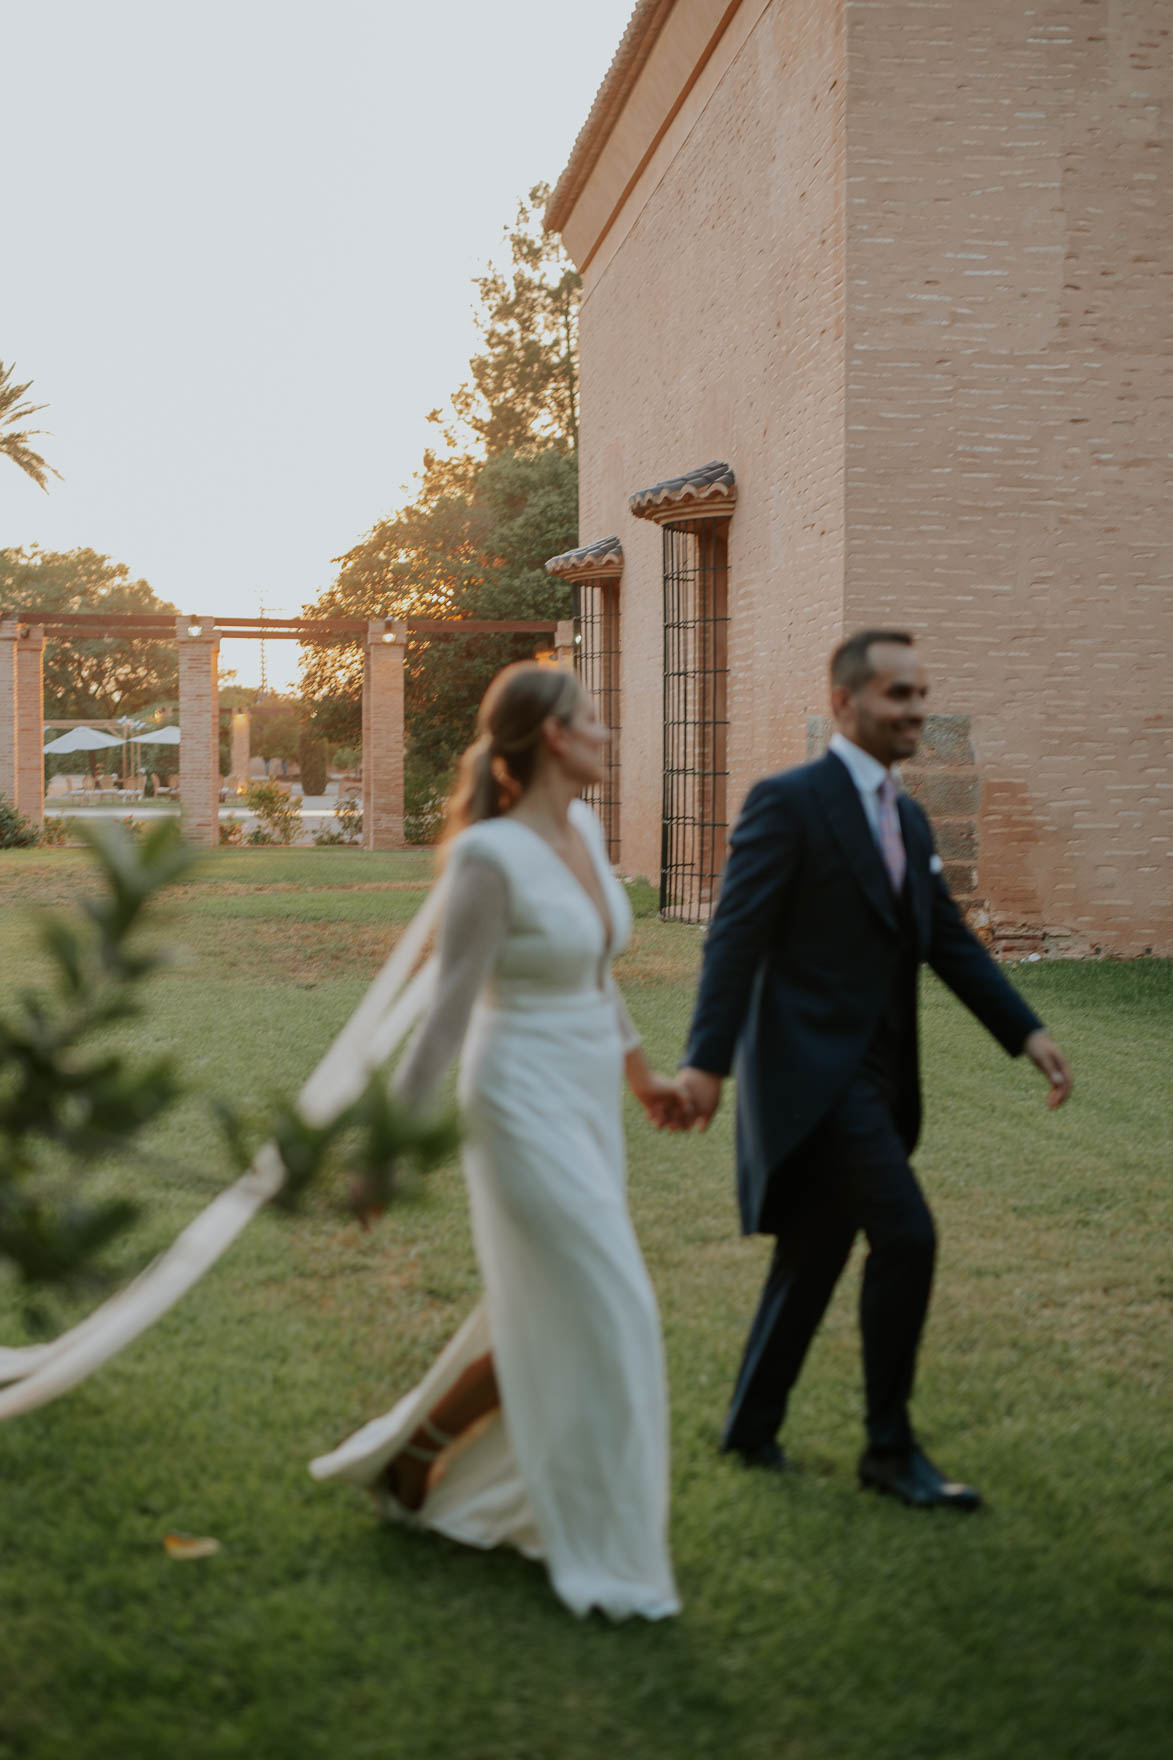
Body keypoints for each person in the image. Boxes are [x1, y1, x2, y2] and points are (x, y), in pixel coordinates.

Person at [311, 662, 688, 1620]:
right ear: (554, 737)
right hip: (514, 1097)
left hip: (584, 1096)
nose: (608, 734)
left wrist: (641, 1073)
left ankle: (415, 1456)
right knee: (613, 1309)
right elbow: (441, 1019)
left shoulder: (588, 831)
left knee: (557, 1305)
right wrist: (388, 1150)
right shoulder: (488, 856)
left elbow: (597, 974)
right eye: (594, 721)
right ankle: (604, 1551)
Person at [677, 630, 1073, 1509]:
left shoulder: (908, 816)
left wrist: (1025, 1032)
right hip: (808, 1076)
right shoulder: (788, 802)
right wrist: (705, 1063)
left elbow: (945, 943)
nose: (916, 712)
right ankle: (888, 1453)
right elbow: (734, 940)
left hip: (881, 1078)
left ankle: (750, 1427)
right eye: (899, 695)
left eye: (922, 695)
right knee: (907, 1236)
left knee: (814, 1252)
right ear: (846, 701)